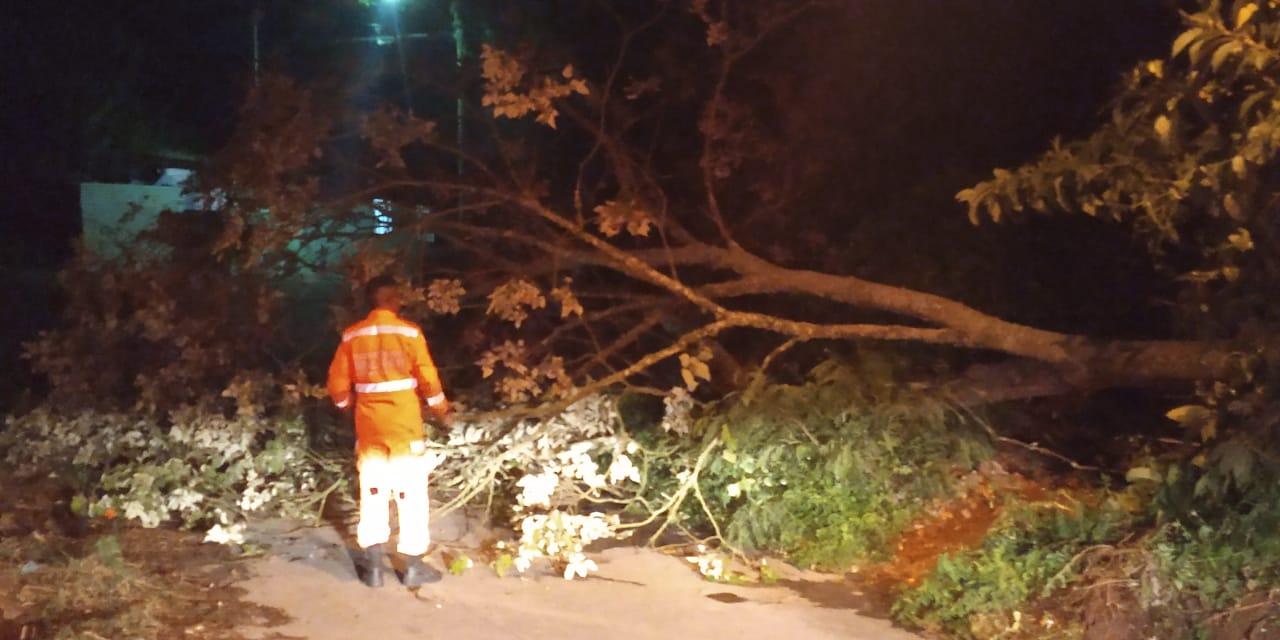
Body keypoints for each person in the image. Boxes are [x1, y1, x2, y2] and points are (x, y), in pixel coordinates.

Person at [326, 275, 451, 588]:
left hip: (370, 427)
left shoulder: (353, 335)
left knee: (373, 491)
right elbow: (428, 378)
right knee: (411, 494)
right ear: (393, 300)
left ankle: (374, 571)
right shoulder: (409, 333)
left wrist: (346, 407)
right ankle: (411, 567)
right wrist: (441, 410)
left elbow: (338, 384)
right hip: (404, 427)